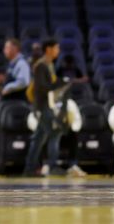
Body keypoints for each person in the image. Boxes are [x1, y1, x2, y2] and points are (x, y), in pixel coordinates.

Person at [23, 39, 68, 177]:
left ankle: (30, 168)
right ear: (48, 49)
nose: (58, 50)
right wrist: (60, 83)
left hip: (44, 105)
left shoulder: (48, 64)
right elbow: (41, 88)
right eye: (56, 47)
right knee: (54, 132)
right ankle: (53, 166)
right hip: (43, 106)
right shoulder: (41, 65)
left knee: (39, 137)